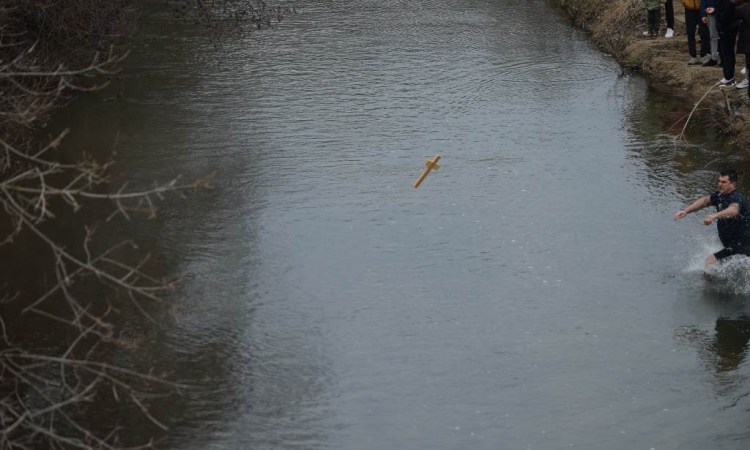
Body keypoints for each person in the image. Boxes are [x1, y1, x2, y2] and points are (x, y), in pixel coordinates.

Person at [673, 169, 750, 266]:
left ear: (733, 184)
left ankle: (710, 281)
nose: (720, 184)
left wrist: (714, 216)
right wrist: (686, 211)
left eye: (723, 182)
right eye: (719, 181)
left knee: (709, 263)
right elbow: (704, 201)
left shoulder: (737, 197)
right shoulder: (720, 195)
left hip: (742, 244)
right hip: (731, 244)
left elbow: (733, 210)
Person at [702, 0, 722, 66]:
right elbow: (703, 1)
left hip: (723, 13)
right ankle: (714, 58)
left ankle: (723, 58)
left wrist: (715, 8)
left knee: (724, 36)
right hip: (710, 13)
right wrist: (703, 14)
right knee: (713, 36)